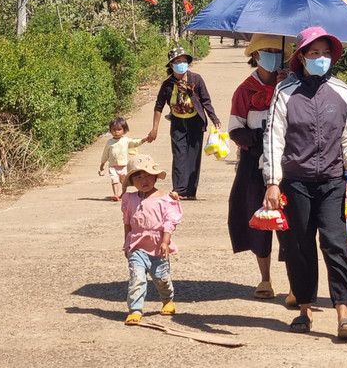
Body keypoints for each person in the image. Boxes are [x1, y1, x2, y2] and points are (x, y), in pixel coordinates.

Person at [262, 26, 347, 339]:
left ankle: (343, 314)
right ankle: (304, 309)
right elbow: (274, 138)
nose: (321, 59)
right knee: (299, 246)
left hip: (333, 181)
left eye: (325, 53)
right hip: (296, 182)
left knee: (335, 244)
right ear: (301, 57)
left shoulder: (342, 91)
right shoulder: (285, 93)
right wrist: (272, 182)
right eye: (314, 53)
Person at [227, 34, 295, 303]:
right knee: (258, 219)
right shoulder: (244, 91)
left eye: (274, 50)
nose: (271, 55)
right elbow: (234, 128)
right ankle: (265, 278)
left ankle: (295, 282)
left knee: (293, 222)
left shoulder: (293, 85)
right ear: (254, 56)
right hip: (254, 163)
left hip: (289, 164)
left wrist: (284, 90)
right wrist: (259, 140)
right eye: (264, 51)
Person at [146, 46, 221, 199]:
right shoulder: (167, 85)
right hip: (178, 123)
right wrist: (155, 128)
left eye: (184, 60)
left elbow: (206, 101)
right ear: (171, 65)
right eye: (178, 61)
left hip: (195, 121)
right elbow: (159, 106)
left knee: (194, 155)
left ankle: (191, 191)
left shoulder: (196, 79)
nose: (182, 63)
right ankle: (179, 189)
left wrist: (215, 119)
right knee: (179, 155)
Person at [121, 155, 183, 325]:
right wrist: (127, 243)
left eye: (148, 175)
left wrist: (165, 241)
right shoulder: (130, 199)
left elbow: (169, 222)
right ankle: (135, 310)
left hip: (158, 247)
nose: (144, 180)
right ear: (132, 181)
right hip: (137, 246)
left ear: (155, 176)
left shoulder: (165, 199)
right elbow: (127, 222)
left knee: (162, 279)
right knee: (136, 278)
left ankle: (168, 299)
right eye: (138, 177)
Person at [99, 116, 146, 201]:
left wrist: (143, 140)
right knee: (114, 180)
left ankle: (123, 193)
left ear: (124, 130)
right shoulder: (109, 142)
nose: (116, 132)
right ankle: (116, 194)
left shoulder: (126, 140)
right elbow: (105, 153)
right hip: (113, 166)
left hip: (124, 165)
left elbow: (135, 143)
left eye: (119, 129)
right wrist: (102, 163)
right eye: (113, 129)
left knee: (124, 181)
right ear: (110, 130)